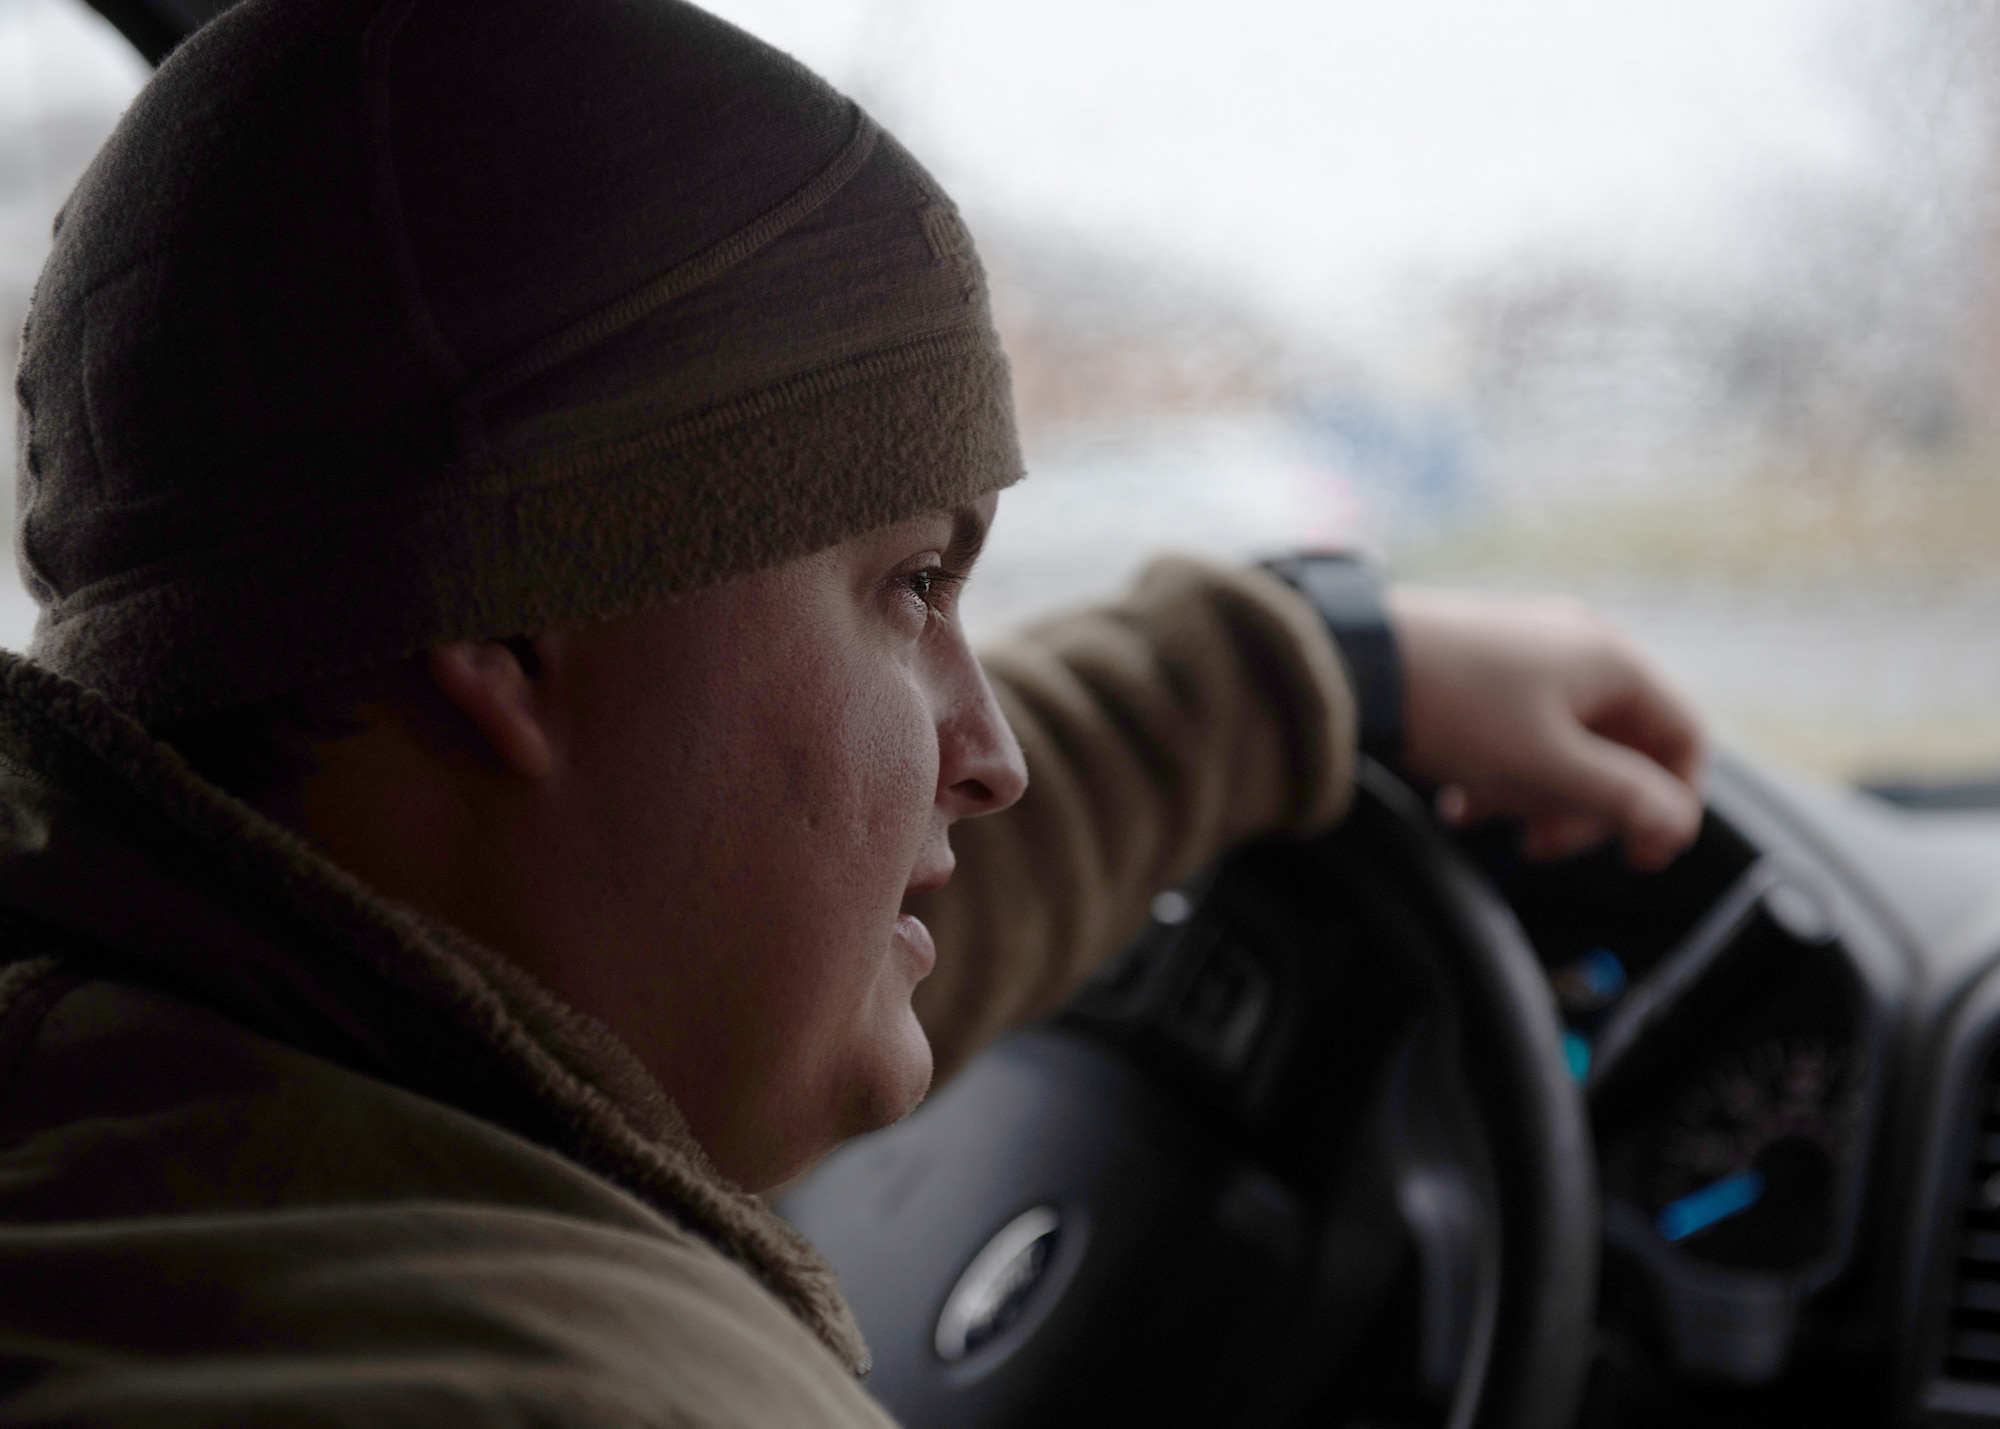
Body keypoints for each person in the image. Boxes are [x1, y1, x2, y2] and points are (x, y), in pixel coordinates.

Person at [0, 0, 1702, 1422]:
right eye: (912, 586)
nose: (993, 754)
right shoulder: (548, 1382)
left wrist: (1303, 669)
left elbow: (726, 897)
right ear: (516, 622)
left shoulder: (141, 1078)